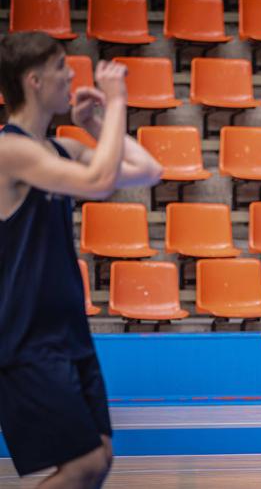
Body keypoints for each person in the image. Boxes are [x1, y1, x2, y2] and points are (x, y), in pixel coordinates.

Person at [0, 31, 163, 487]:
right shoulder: (9, 151)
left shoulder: (58, 150)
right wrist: (116, 101)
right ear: (33, 80)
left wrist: (97, 124)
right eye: (60, 68)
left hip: (67, 331)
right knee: (85, 463)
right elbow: (97, 179)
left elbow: (149, 171)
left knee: (100, 456)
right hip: (25, 334)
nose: (72, 74)